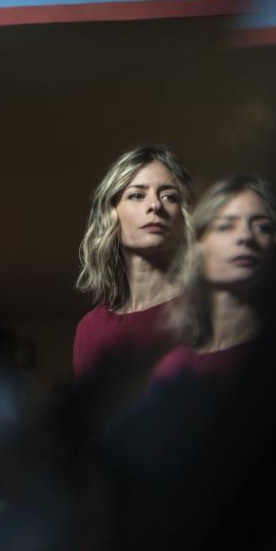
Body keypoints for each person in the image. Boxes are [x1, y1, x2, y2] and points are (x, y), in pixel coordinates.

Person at [73, 145, 195, 378]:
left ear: (183, 216)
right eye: (137, 195)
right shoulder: (90, 329)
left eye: (169, 196)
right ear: (112, 214)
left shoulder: (206, 312)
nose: (155, 205)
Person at [153, 174, 276, 380]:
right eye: (225, 226)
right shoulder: (173, 369)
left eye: (262, 227)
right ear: (197, 247)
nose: (246, 237)